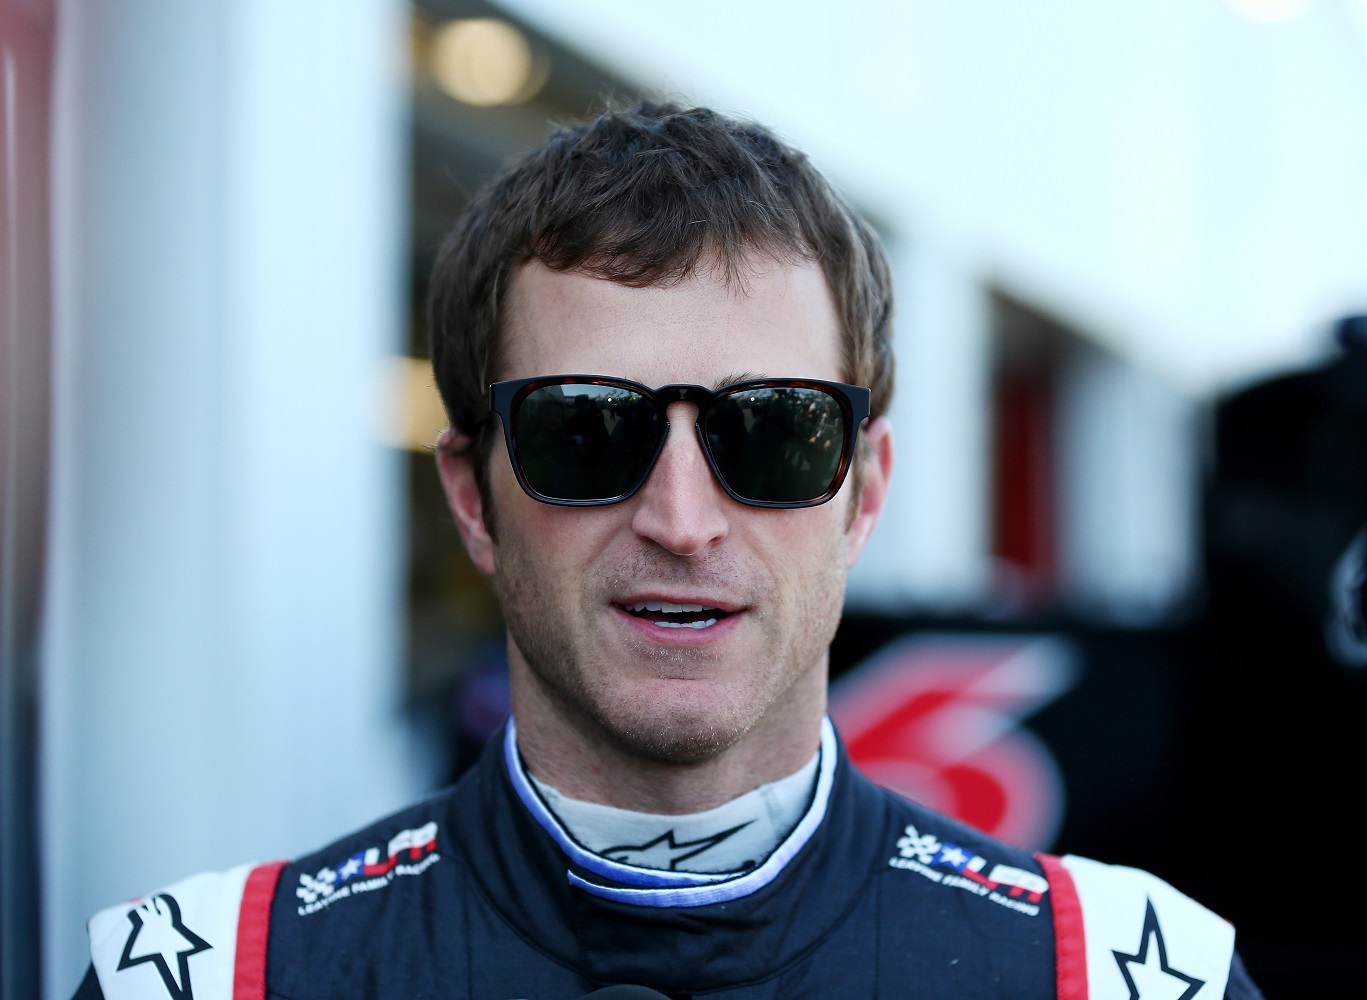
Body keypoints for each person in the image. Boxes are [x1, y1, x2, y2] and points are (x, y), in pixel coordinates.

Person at [75, 103, 1262, 1000]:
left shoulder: (1125, 974)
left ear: (863, 496)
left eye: (775, 432)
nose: (681, 518)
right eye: (586, 429)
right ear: (472, 499)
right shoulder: (202, 972)